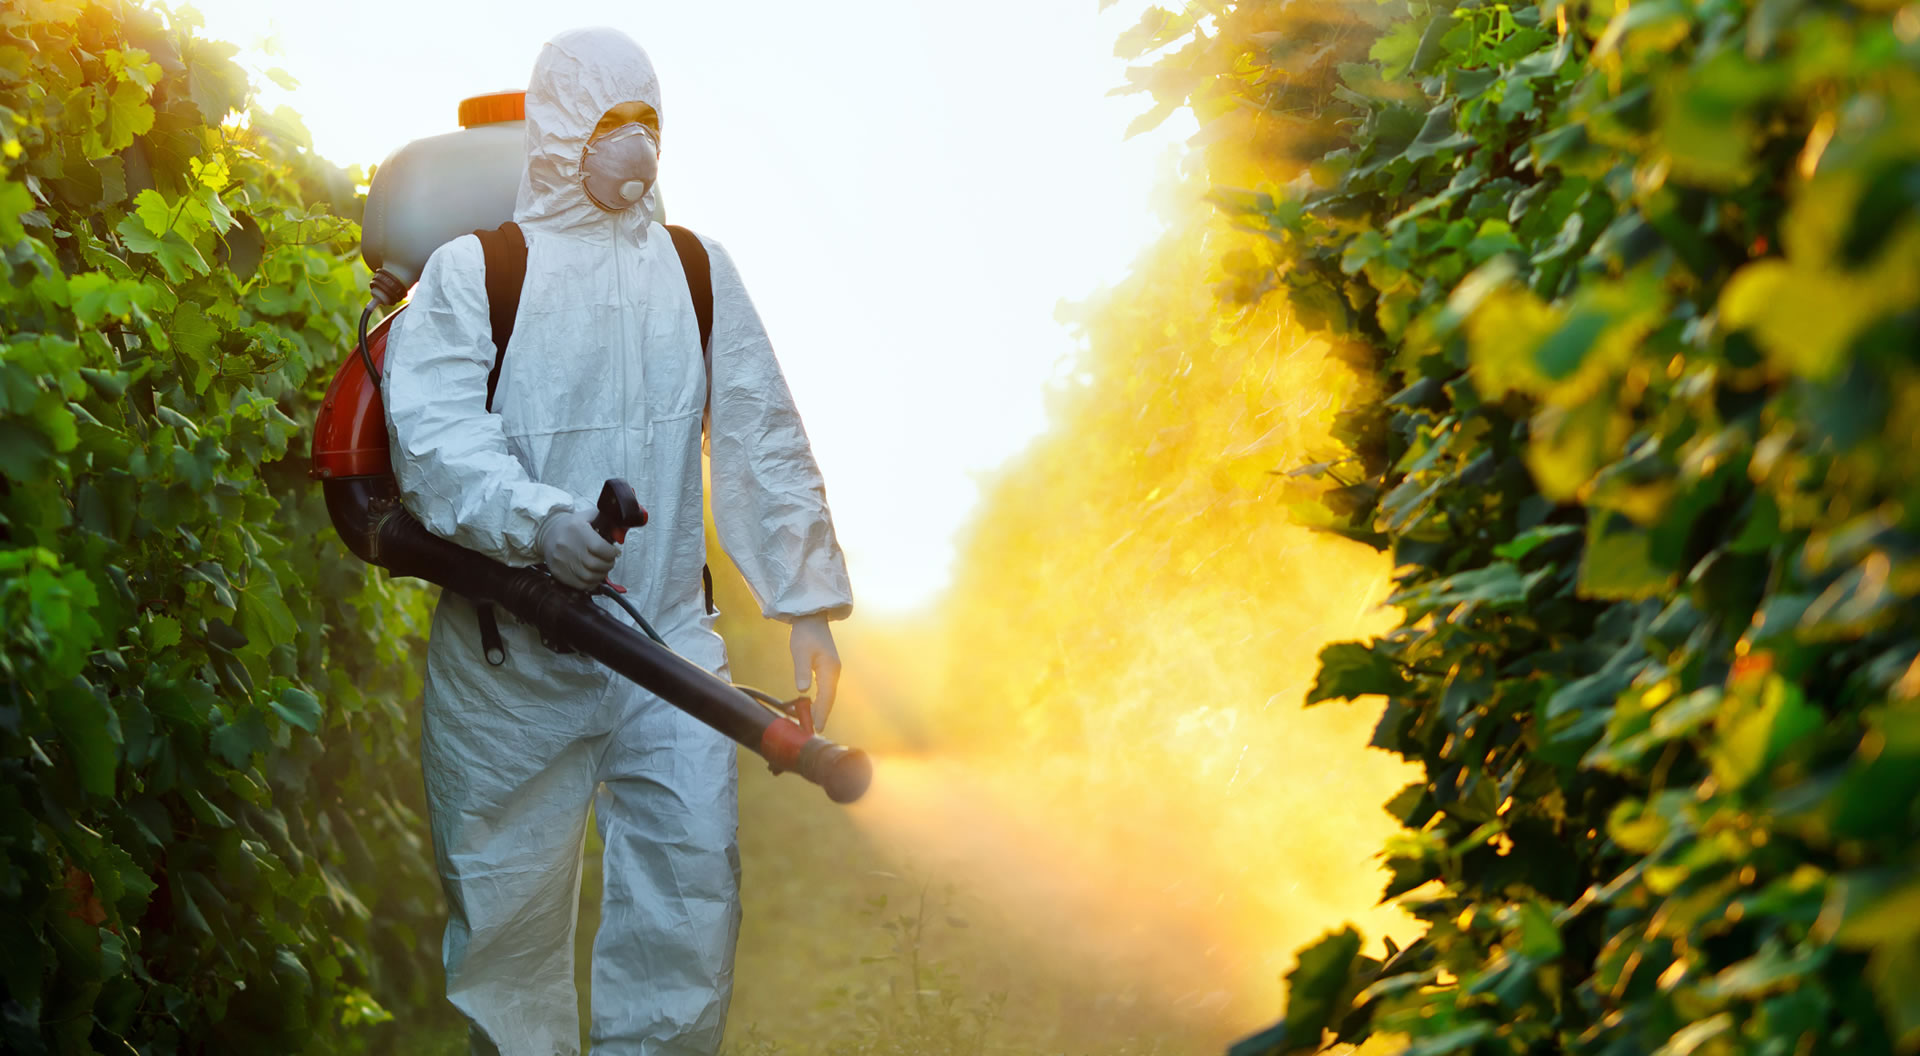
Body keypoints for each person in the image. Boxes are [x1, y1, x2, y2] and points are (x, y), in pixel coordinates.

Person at [381, 26, 854, 1056]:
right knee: (510, 943)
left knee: (685, 925)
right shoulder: (476, 273)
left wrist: (805, 602)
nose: (632, 147)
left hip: (668, 647)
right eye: (608, 125)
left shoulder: (694, 270)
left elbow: (762, 433)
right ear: (556, 132)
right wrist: (540, 524)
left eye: (647, 123)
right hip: (512, 665)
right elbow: (436, 440)